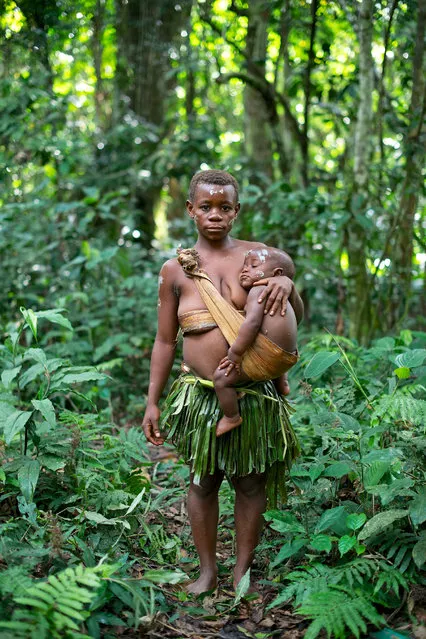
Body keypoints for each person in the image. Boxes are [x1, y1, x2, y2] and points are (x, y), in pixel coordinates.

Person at [142, 169, 303, 596]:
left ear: (236, 211)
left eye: (225, 207)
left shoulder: (260, 257)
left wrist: (287, 284)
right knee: (202, 479)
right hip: (199, 395)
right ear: (191, 210)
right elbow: (164, 340)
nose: (215, 215)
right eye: (206, 207)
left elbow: (293, 316)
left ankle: (242, 573)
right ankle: (208, 571)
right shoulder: (175, 270)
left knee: (250, 482)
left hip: (253, 394)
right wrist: (152, 402)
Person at [213, 247, 298, 436]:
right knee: (270, 336)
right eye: (244, 266)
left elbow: (251, 324)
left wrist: (234, 354)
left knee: (220, 379)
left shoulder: (258, 290)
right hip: (286, 357)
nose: (244, 270)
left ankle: (232, 418)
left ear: (276, 274)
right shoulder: (282, 294)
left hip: (269, 355)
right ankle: (281, 384)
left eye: (253, 266)